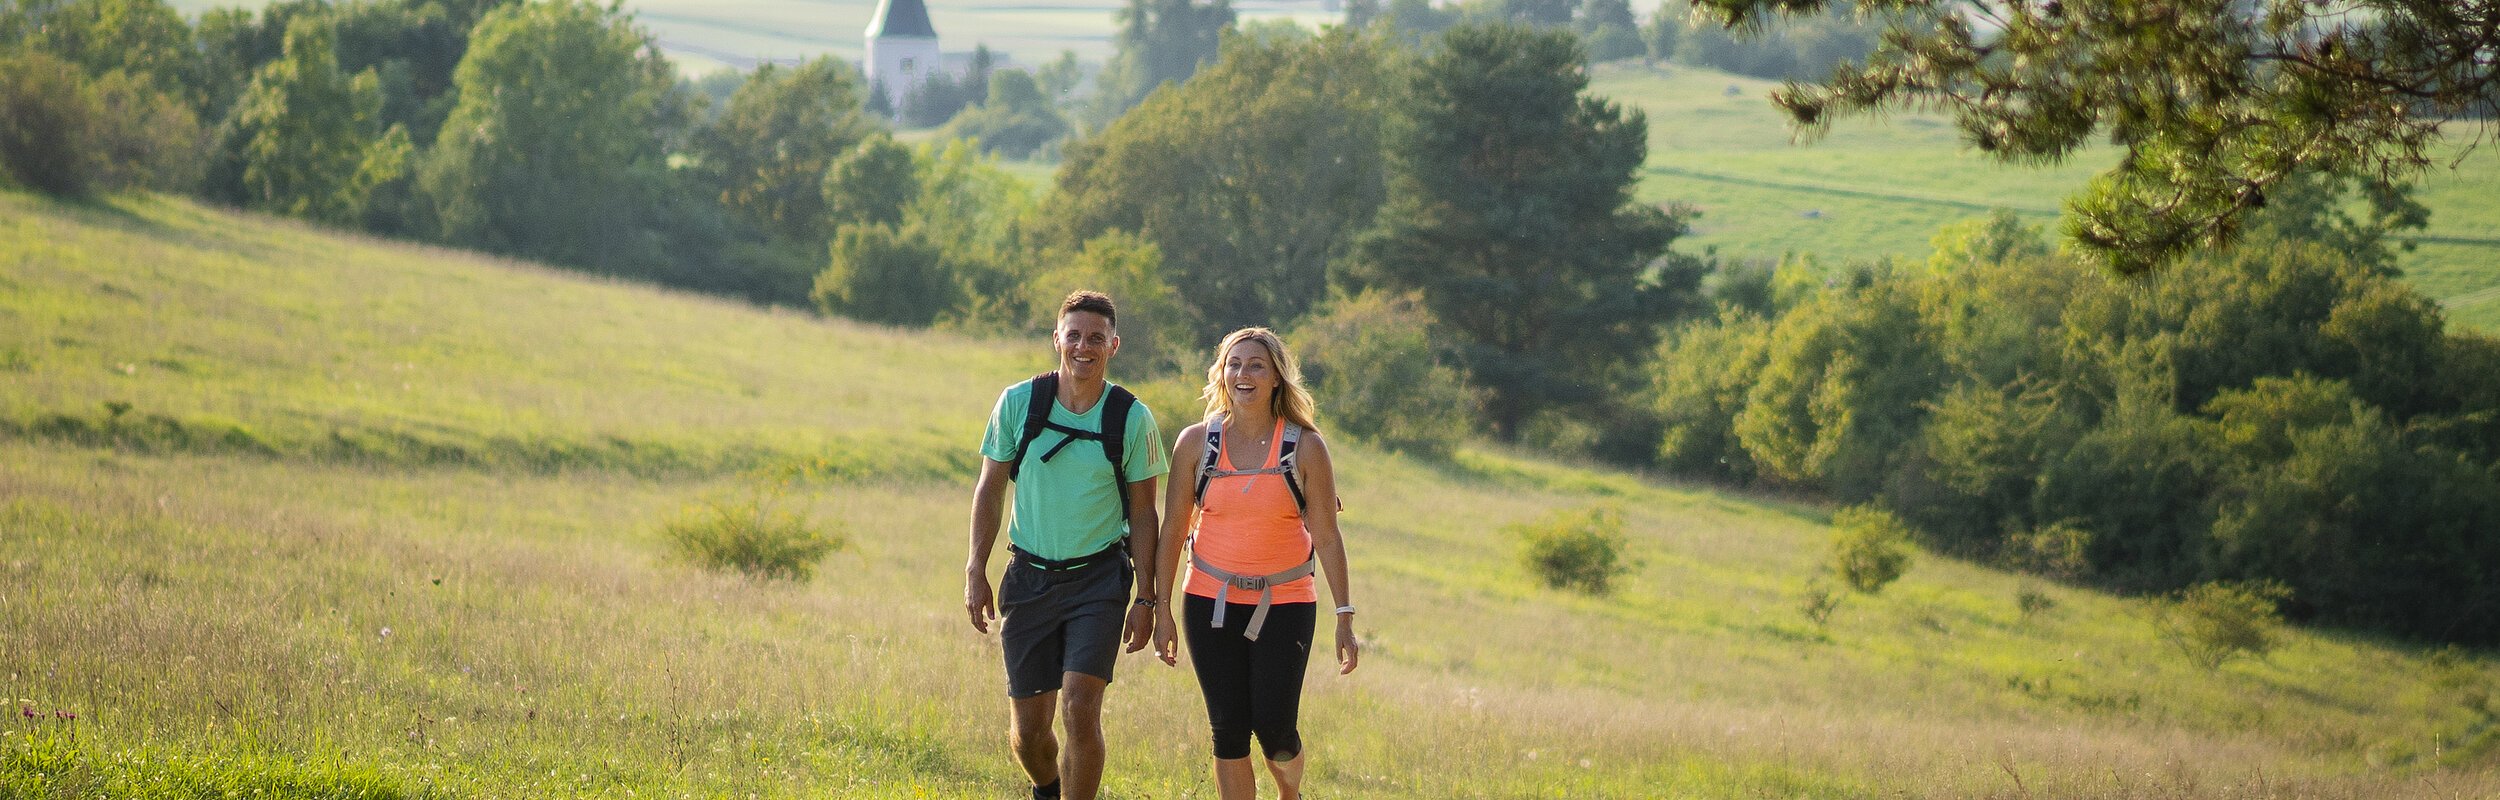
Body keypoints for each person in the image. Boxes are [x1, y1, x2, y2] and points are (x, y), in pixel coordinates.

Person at [965, 290, 1168, 800]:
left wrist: (1147, 597)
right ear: (1056, 338)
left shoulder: (1130, 417)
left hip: (1098, 580)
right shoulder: (1019, 403)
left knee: (1080, 707)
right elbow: (990, 487)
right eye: (1073, 335)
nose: (1083, 346)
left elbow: (1145, 513)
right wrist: (975, 568)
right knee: (1029, 734)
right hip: (1028, 578)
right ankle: (1049, 789)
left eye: (1095, 338)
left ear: (1113, 346)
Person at [1150, 327, 1359, 800]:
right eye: (1234, 364)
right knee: (1227, 727)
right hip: (1208, 600)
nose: (1244, 374)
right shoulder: (1194, 443)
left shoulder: (1306, 447)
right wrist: (1160, 607)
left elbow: (1326, 535)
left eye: (1257, 365)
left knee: (1276, 727)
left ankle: (1290, 794)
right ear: (1222, 375)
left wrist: (1344, 616)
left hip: (1285, 604)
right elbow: (1173, 531)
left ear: (1277, 379)